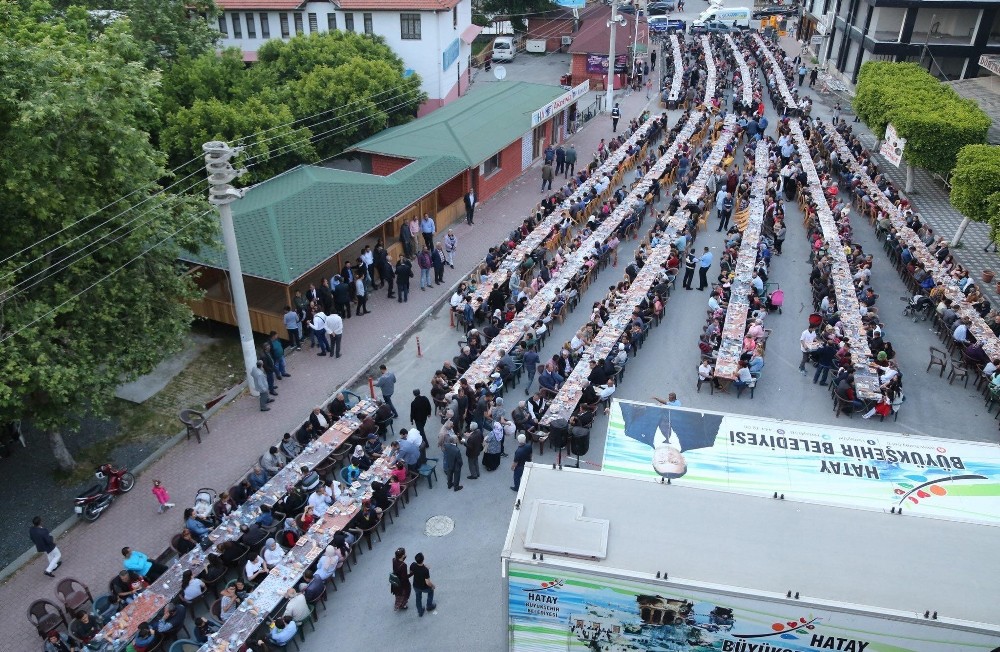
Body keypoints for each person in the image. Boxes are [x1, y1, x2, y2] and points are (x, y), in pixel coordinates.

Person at [409, 552, 438, 617]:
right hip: (424, 587)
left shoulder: (413, 565)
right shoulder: (425, 570)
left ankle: (420, 611)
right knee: (431, 591)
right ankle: (429, 606)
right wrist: (433, 586)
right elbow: (427, 582)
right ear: (423, 559)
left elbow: (411, 572)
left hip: (416, 586)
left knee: (418, 598)